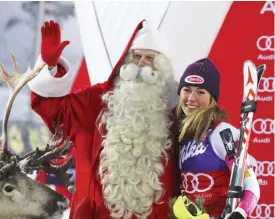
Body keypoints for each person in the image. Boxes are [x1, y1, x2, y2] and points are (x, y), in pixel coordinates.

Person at [28, 20, 179, 219]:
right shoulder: (96, 101)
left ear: (162, 68)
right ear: (125, 62)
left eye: (150, 58)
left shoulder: (176, 114)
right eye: (136, 56)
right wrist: (50, 67)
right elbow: (54, 109)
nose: (141, 64)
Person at [175, 58, 260, 219]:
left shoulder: (223, 134)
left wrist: (240, 213)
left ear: (212, 99)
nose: (191, 98)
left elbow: (251, 184)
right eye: (186, 89)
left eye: (201, 92)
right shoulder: (182, 135)